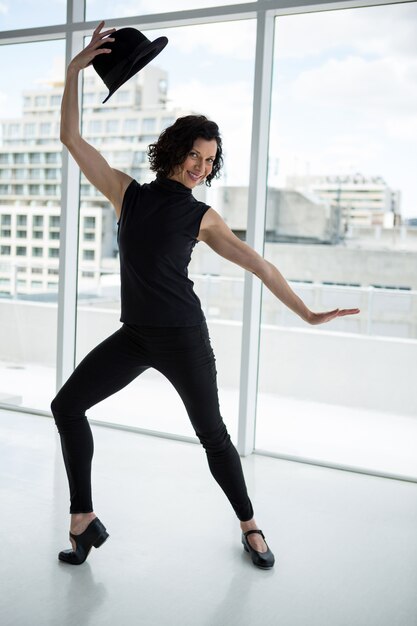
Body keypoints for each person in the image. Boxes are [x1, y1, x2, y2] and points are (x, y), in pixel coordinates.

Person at [51, 22, 360, 570]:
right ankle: (82, 518)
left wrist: (309, 313)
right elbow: (72, 140)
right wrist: (74, 73)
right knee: (67, 406)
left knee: (213, 437)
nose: (202, 165)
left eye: (210, 160)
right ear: (175, 150)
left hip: (184, 339)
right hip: (135, 335)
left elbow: (260, 265)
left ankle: (251, 526)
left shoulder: (203, 217)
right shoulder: (128, 194)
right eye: (196, 154)